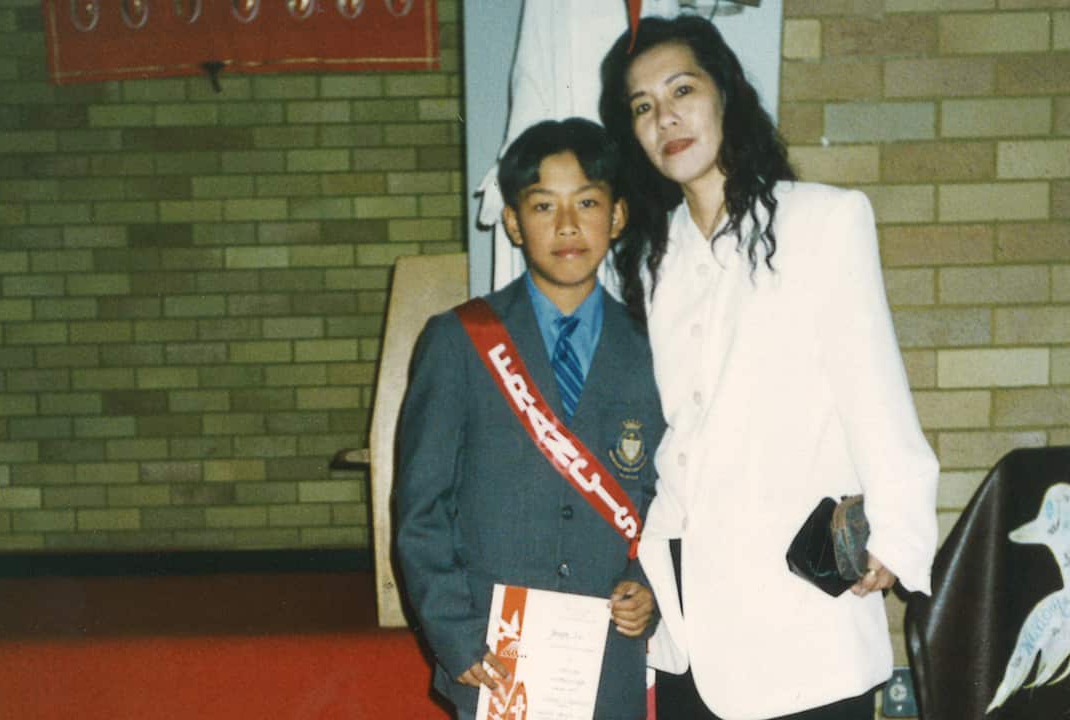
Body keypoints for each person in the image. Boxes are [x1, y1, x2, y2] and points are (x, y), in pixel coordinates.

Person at [597, 15, 940, 720]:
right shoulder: (646, 262)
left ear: (725, 92)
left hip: (799, 606)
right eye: (642, 107)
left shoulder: (823, 222)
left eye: (682, 89)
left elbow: (876, 395)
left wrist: (895, 535)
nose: (666, 118)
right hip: (693, 612)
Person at [395, 117, 666, 720]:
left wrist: (648, 584)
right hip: (494, 646)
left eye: (588, 202)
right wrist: (455, 634)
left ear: (617, 216)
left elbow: (670, 494)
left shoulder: (651, 348)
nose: (568, 225)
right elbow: (422, 509)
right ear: (514, 221)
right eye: (544, 205)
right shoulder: (462, 340)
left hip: (606, 646)